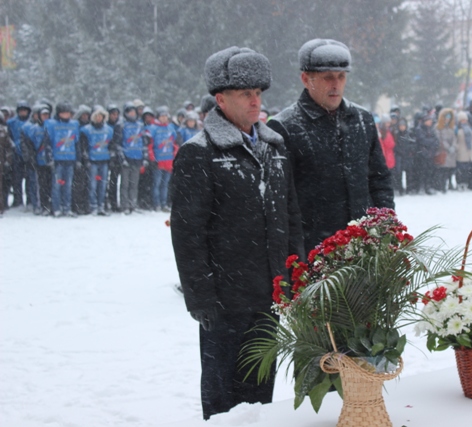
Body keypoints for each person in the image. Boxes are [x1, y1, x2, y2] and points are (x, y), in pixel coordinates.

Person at [170, 46, 303, 419]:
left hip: (269, 292)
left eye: (258, 94)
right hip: (224, 299)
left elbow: (290, 215)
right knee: (222, 391)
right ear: (221, 99)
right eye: (245, 94)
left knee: (260, 386)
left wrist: (294, 271)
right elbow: (187, 232)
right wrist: (200, 296)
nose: (255, 102)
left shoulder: (275, 148)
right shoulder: (199, 154)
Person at [268, 38, 394, 253]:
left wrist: (385, 227)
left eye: (341, 77)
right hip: (314, 250)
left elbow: (379, 179)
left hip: (364, 246)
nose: (336, 84)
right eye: (327, 78)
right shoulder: (283, 127)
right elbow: (279, 200)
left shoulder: (362, 120)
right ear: (306, 79)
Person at [44, 101, 81, 217]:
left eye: (68, 113)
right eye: (64, 113)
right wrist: (49, 158)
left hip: (70, 159)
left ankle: (67, 207)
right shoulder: (51, 124)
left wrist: (78, 159)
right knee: (57, 185)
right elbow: (48, 143)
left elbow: (77, 143)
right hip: (57, 160)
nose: (66, 115)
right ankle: (56, 208)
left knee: (68, 185)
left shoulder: (74, 124)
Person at [144, 107, 179, 212]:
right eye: (162, 116)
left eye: (165, 116)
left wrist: (175, 155)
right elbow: (149, 145)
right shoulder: (152, 128)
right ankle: (156, 203)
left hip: (169, 160)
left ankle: (164, 203)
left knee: (165, 184)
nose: (164, 118)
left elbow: (175, 144)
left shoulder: (171, 127)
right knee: (157, 183)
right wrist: (152, 158)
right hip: (158, 161)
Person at [80, 107, 113, 215]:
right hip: (93, 160)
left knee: (103, 185)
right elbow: (83, 146)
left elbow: (111, 145)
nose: (99, 118)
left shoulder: (109, 130)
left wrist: (111, 156)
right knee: (92, 184)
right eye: (97, 116)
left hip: (104, 160)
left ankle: (101, 205)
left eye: (101, 116)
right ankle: (92, 205)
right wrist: (86, 159)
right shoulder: (86, 130)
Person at [21, 104, 51, 214]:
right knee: (35, 184)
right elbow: (27, 145)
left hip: (47, 160)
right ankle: (37, 205)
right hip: (35, 159)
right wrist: (30, 158)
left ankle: (46, 205)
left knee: (47, 184)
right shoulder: (29, 128)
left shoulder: (50, 126)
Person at [118, 103, 146, 214]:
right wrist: (122, 158)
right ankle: (124, 205)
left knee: (134, 183)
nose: (132, 114)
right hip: (127, 156)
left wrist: (144, 156)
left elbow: (143, 141)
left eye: (133, 112)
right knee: (125, 184)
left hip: (137, 157)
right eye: (129, 112)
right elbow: (118, 143)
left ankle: (132, 203)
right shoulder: (122, 125)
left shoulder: (140, 125)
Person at [7, 100, 32, 208]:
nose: (23, 112)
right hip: (16, 154)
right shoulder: (11, 123)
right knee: (17, 179)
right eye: (21, 110)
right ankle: (18, 200)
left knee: (30, 179)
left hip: (29, 154)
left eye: (25, 110)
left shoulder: (31, 123)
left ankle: (30, 200)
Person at [414, 112, 439, 194]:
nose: (430, 122)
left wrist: (432, 144)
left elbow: (436, 140)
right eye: (429, 120)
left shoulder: (431, 129)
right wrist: (431, 143)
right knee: (422, 171)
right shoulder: (419, 129)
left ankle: (428, 186)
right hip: (422, 154)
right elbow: (422, 141)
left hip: (431, 154)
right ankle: (421, 186)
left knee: (430, 171)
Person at [106, 104, 123, 213]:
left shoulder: (119, 126)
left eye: (116, 114)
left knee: (114, 181)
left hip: (116, 158)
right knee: (103, 181)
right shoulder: (105, 126)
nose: (114, 116)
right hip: (104, 156)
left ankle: (113, 202)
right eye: (112, 114)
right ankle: (105, 202)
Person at [435, 108, 457, 192]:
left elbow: (454, 138)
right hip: (443, 151)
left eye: (449, 117)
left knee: (449, 170)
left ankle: (449, 184)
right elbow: (440, 139)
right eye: (446, 117)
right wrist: (448, 147)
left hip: (451, 152)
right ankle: (441, 186)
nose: (448, 119)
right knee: (442, 170)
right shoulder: (438, 128)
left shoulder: (451, 128)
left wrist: (453, 146)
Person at [455, 111, 472, 191]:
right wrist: (457, 147)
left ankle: (465, 183)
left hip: (469, 152)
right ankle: (459, 183)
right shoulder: (457, 129)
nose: (464, 121)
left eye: (465, 120)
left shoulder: (470, 129)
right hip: (461, 152)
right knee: (460, 169)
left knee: (467, 170)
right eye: (462, 120)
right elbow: (456, 140)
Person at [0, 115, 13, 217]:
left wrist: (8, 161)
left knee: (2, 186)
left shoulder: (4, 132)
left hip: (1, 162)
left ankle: (1, 207)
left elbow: (9, 148)